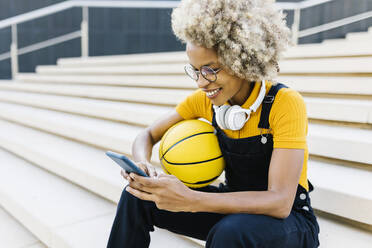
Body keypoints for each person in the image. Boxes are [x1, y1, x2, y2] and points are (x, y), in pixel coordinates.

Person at [107, 0, 320, 247]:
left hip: (290, 221)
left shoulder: (285, 103)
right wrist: (143, 166)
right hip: (234, 206)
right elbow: (147, 135)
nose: (200, 82)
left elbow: (280, 202)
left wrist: (192, 199)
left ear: (242, 59)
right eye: (195, 70)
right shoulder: (206, 101)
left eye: (210, 70)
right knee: (138, 197)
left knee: (230, 231)